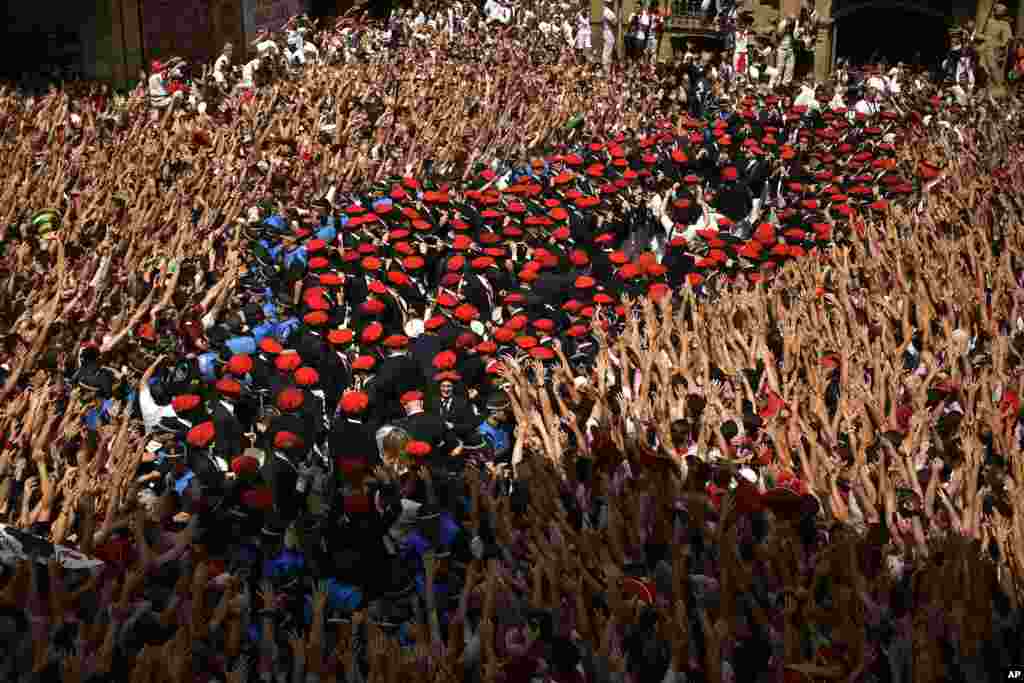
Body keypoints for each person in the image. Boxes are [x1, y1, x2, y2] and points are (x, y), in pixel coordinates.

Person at [980, 3, 1013, 95]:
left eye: (1003, 12)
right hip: (985, 47)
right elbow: (978, 34)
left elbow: (1008, 38)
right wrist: (985, 38)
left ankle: (998, 85)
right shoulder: (988, 21)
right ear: (995, 11)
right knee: (983, 68)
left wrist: (1003, 44)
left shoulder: (1004, 24)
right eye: (999, 10)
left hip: (996, 49)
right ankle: (985, 86)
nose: (1001, 12)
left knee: (992, 67)